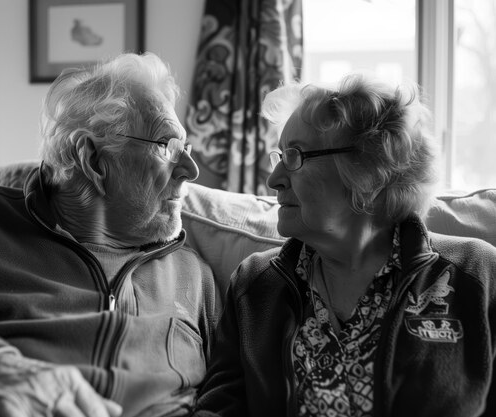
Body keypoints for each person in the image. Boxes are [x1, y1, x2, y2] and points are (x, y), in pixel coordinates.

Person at [0, 52, 221, 417]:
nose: (191, 170)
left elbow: (225, 391)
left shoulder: (194, 275)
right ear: (93, 160)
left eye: (187, 150)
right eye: (168, 147)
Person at [193, 73, 496, 416]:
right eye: (279, 157)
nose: (273, 179)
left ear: (368, 170)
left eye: (295, 157)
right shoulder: (255, 285)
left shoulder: (477, 276)